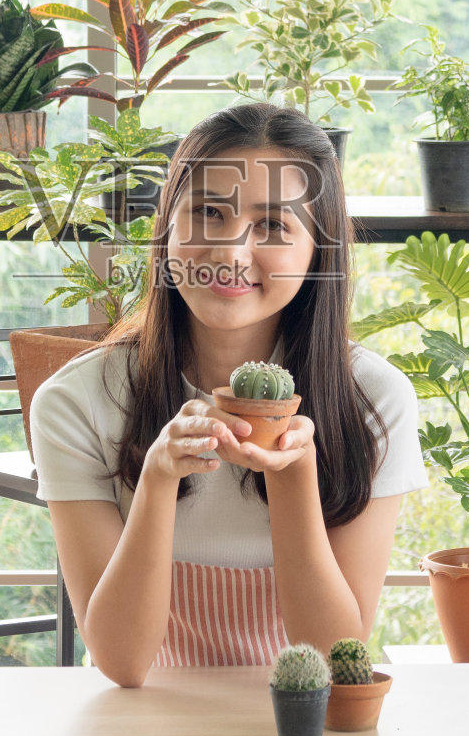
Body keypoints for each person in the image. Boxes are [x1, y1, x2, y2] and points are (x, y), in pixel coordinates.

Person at [30, 101, 426, 688]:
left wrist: (293, 476)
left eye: (273, 226)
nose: (231, 253)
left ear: (319, 249)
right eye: (208, 214)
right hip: (144, 735)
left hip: (305, 728)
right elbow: (120, 661)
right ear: (167, 230)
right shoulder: (77, 400)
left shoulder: (374, 399)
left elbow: (334, 653)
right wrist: (159, 479)